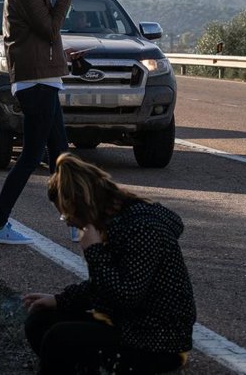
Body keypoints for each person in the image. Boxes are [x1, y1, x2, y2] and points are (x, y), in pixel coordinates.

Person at [23, 153, 196, 374]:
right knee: (39, 321)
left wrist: (94, 252)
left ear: (80, 206)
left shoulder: (142, 229)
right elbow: (106, 285)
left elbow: (125, 296)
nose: (71, 224)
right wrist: (60, 300)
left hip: (157, 342)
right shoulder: (117, 221)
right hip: (131, 326)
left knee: (59, 339)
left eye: (67, 218)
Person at [0, 0, 79, 244]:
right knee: (32, 155)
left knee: (60, 153)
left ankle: (75, 223)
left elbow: (38, 38)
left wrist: (59, 56)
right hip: (35, 81)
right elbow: (50, 29)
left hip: (43, 77)